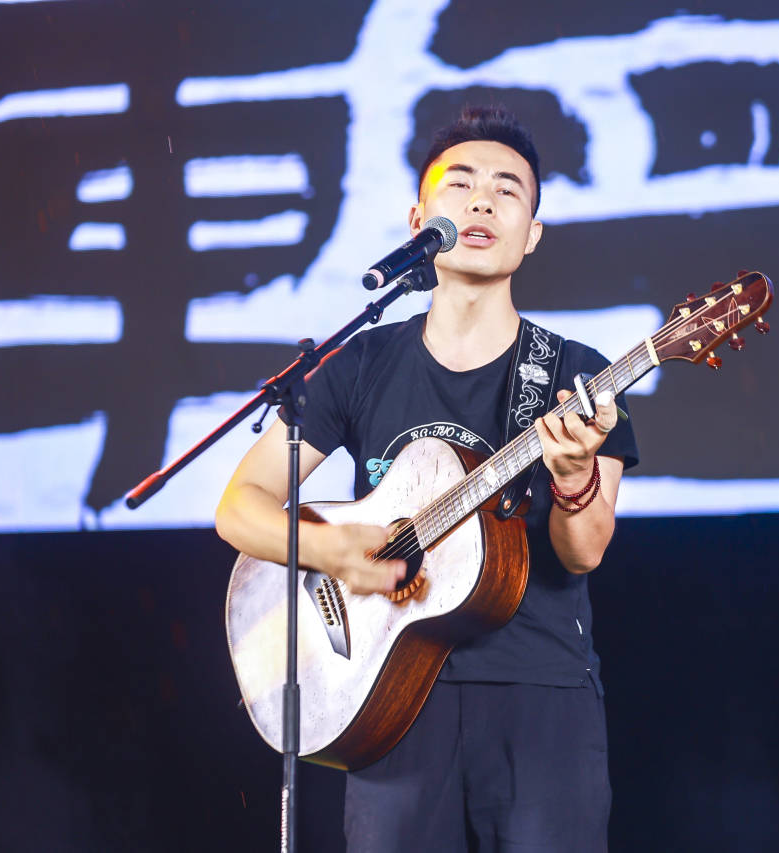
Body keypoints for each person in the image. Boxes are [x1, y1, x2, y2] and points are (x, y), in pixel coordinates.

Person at [215, 105, 638, 852]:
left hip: (540, 695)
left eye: (507, 190)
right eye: (461, 184)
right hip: (389, 696)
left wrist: (573, 477)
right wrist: (338, 553)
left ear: (532, 233)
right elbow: (238, 508)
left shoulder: (576, 374)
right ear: (420, 220)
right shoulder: (359, 362)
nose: (482, 202)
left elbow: (584, 551)